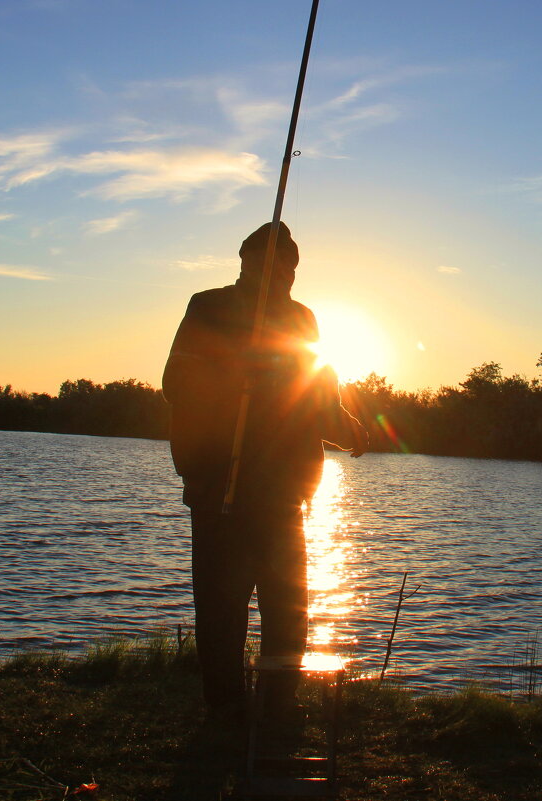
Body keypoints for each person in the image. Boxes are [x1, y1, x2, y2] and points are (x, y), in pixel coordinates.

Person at [162, 221, 368, 717]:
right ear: (244, 260)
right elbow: (177, 381)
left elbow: (318, 396)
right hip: (218, 487)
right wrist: (238, 374)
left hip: (284, 493)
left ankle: (279, 706)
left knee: (286, 608)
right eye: (270, 261)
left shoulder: (302, 319)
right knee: (220, 607)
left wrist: (349, 429)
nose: (281, 272)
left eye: (289, 264)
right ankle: (224, 708)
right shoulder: (207, 306)